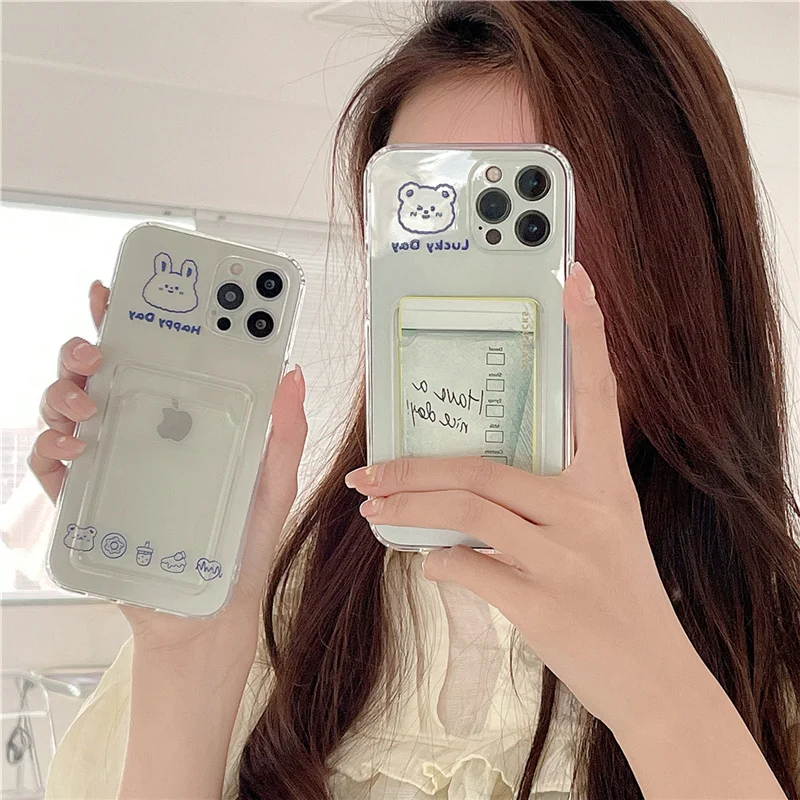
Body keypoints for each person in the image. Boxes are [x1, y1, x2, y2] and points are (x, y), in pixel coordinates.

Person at [36, 2, 800, 799]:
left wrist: (659, 696)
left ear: (677, 268)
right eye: (425, 233)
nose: (470, 294)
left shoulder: (773, 659)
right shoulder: (280, 608)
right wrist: (189, 657)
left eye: (527, 225)